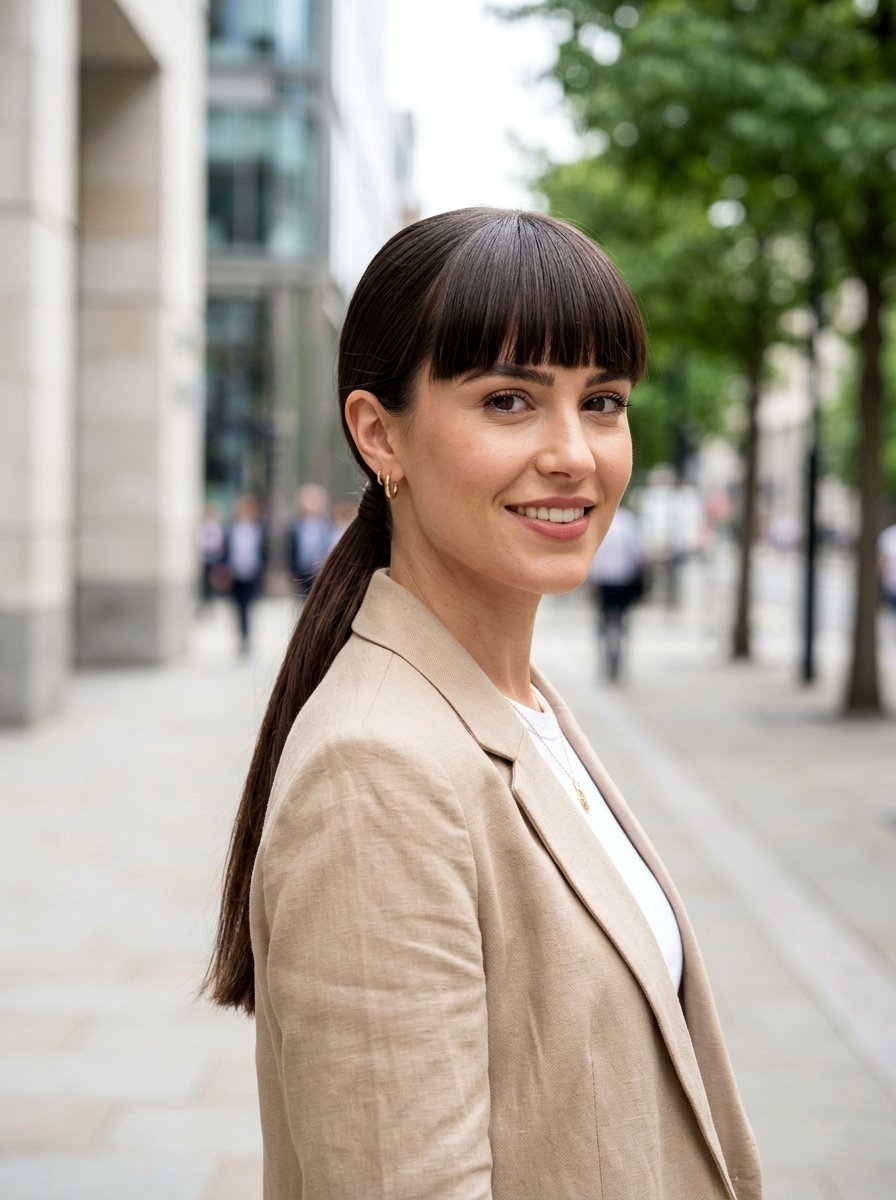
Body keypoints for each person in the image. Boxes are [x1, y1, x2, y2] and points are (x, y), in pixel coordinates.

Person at [203, 209, 761, 1200]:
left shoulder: (517, 702)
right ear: (379, 434)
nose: (573, 453)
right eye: (509, 400)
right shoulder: (375, 772)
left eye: (602, 401)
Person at [588, 502, 648, 681]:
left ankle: (605, 658)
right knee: (622, 620)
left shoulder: (598, 522)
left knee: (603, 621)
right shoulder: (628, 522)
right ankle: (620, 656)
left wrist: (591, 582)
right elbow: (638, 554)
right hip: (623, 579)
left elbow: (592, 556)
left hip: (603, 581)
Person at [225, 493, 266, 655]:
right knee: (239, 606)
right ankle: (242, 637)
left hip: (252, 574)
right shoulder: (232, 529)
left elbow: (263, 552)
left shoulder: (258, 529)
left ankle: (247, 636)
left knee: (248, 606)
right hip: (235, 575)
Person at [286, 483, 332, 597]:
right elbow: (291, 549)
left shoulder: (326, 524)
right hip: (301, 569)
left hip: (320, 570)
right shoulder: (295, 525)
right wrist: (291, 571)